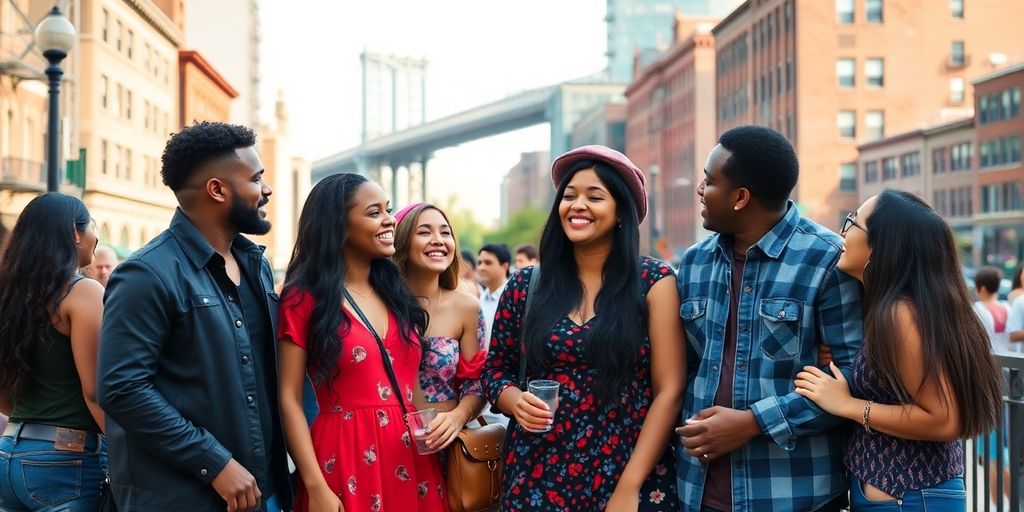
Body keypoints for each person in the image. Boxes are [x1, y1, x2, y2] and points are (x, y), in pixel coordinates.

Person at [98, 122, 290, 511]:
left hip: (260, 493)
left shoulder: (256, 265)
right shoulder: (146, 274)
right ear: (217, 190)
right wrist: (214, 463)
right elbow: (122, 388)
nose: (266, 190)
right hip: (182, 497)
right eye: (256, 179)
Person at [484, 145, 686, 511]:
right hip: (537, 473)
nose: (577, 205)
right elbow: (496, 371)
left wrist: (629, 487)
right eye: (569, 196)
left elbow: (669, 389)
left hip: (630, 469)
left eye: (595, 196)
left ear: (621, 211)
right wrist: (516, 401)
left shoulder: (654, 281)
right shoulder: (526, 285)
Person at [675, 125, 863, 512]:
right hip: (696, 491)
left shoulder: (828, 260)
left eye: (709, 182)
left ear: (741, 197)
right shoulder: (693, 263)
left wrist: (752, 422)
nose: (700, 190)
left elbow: (854, 377)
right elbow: (682, 370)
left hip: (794, 495)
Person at [795, 189, 1003, 511]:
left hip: (908, 498)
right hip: (907, 496)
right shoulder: (903, 308)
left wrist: (846, 404)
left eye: (852, 223)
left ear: (880, 246)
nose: (842, 233)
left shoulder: (899, 313)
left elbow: (943, 419)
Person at [277, 173, 448, 512]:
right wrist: (315, 485)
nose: (389, 220)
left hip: (413, 456)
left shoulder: (396, 291)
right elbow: (289, 398)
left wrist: (446, 422)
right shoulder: (303, 298)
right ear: (338, 225)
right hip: (345, 456)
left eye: (389, 209)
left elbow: (411, 388)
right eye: (374, 212)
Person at [0, 193, 107, 511]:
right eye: (92, 226)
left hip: (9, 454)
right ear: (75, 233)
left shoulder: (9, 296)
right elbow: (95, 391)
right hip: (65, 462)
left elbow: (4, 397)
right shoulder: (83, 291)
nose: (95, 236)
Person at [392, 202, 487, 458]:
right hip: (385, 447)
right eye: (424, 232)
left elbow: (477, 384)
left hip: (445, 449)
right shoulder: (379, 305)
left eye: (445, 233)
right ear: (401, 242)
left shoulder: (467, 307)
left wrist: (458, 416)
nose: (438, 240)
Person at [476, 243, 511, 342]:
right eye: (479, 263)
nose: (481, 268)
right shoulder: (481, 298)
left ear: (505, 266)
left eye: (488, 263)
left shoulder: (513, 298)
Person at [972, 266, 1011, 340]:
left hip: (988, 351)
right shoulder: (1007, 307)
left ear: (982, 289)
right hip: (1008, 351)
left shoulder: (976, 308)